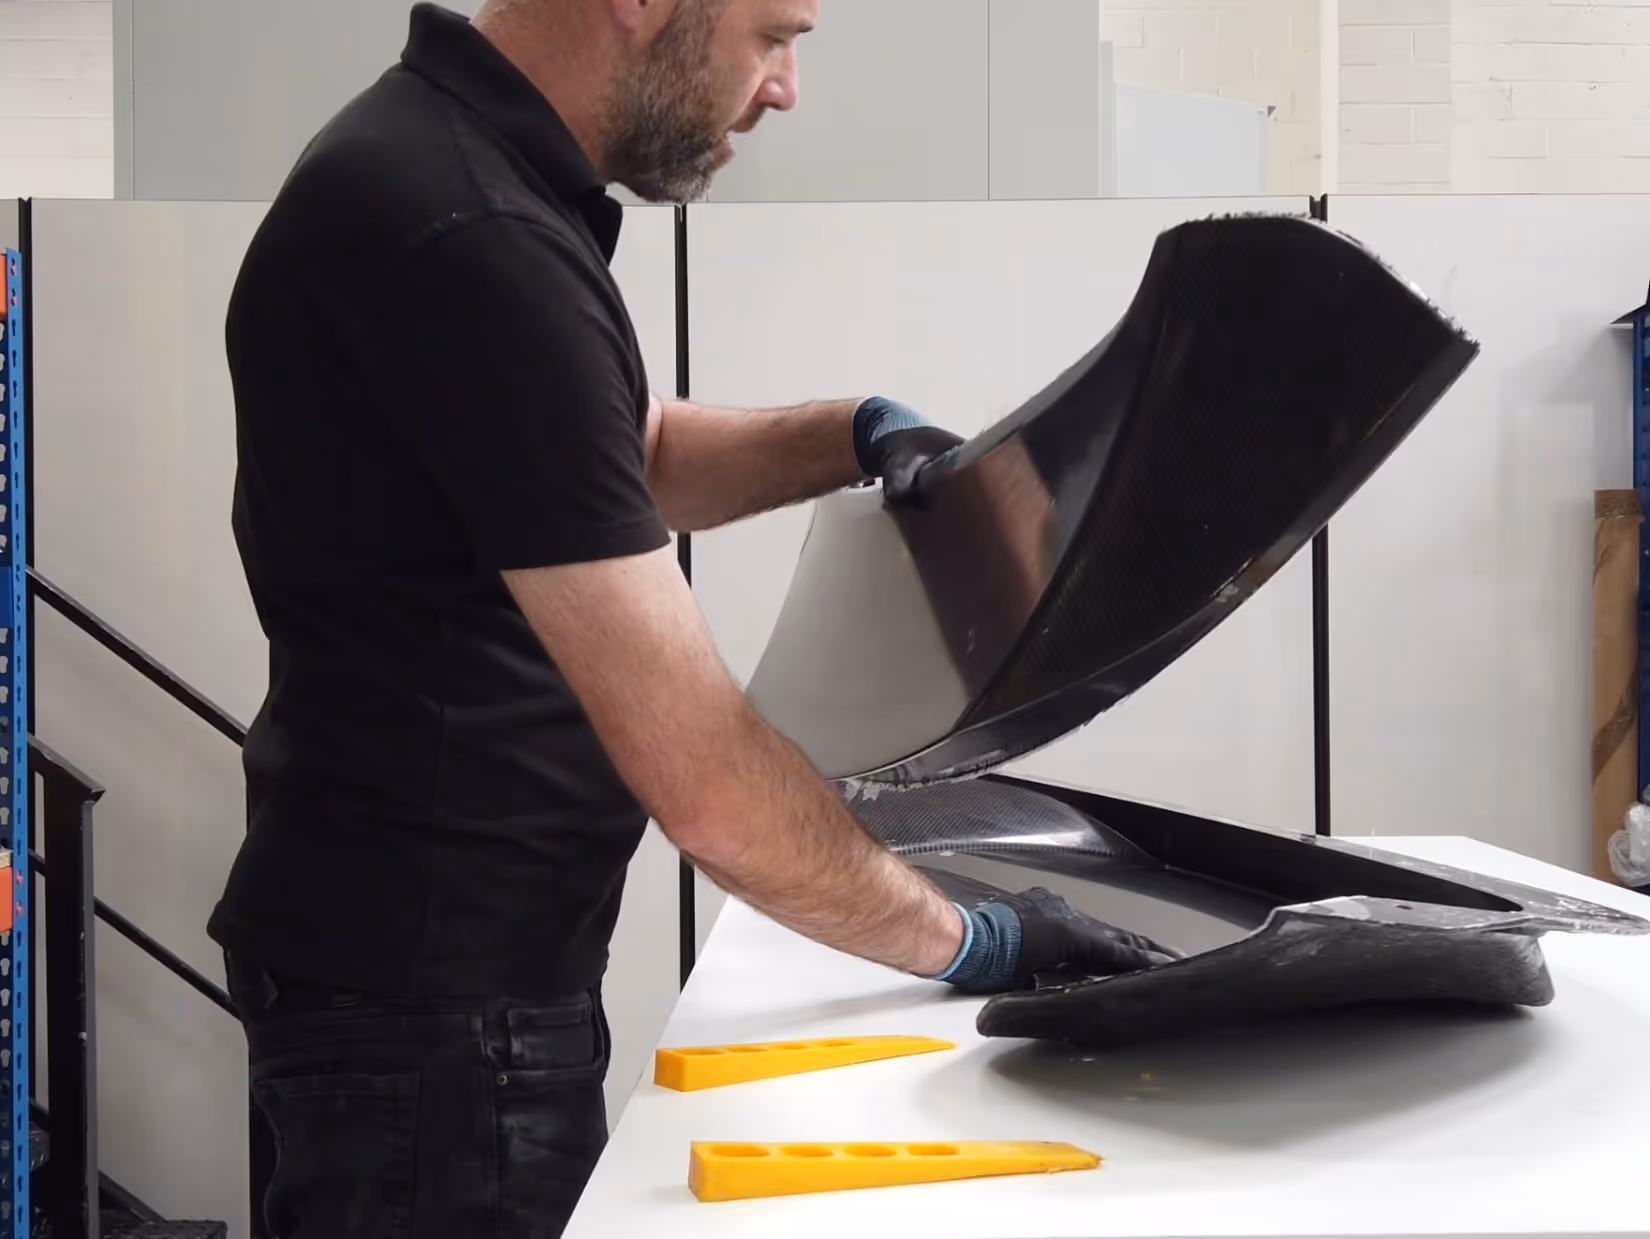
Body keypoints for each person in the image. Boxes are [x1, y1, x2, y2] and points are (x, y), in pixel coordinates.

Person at [208, 2, 1174, 1236]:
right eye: (774, 35)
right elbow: (709, 788)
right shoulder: (472, 234)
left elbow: (632, 453)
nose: (783, 90)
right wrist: (974, 942)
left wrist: (849, 431)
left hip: (429, 989)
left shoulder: (445, 167)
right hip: (435, 1025)